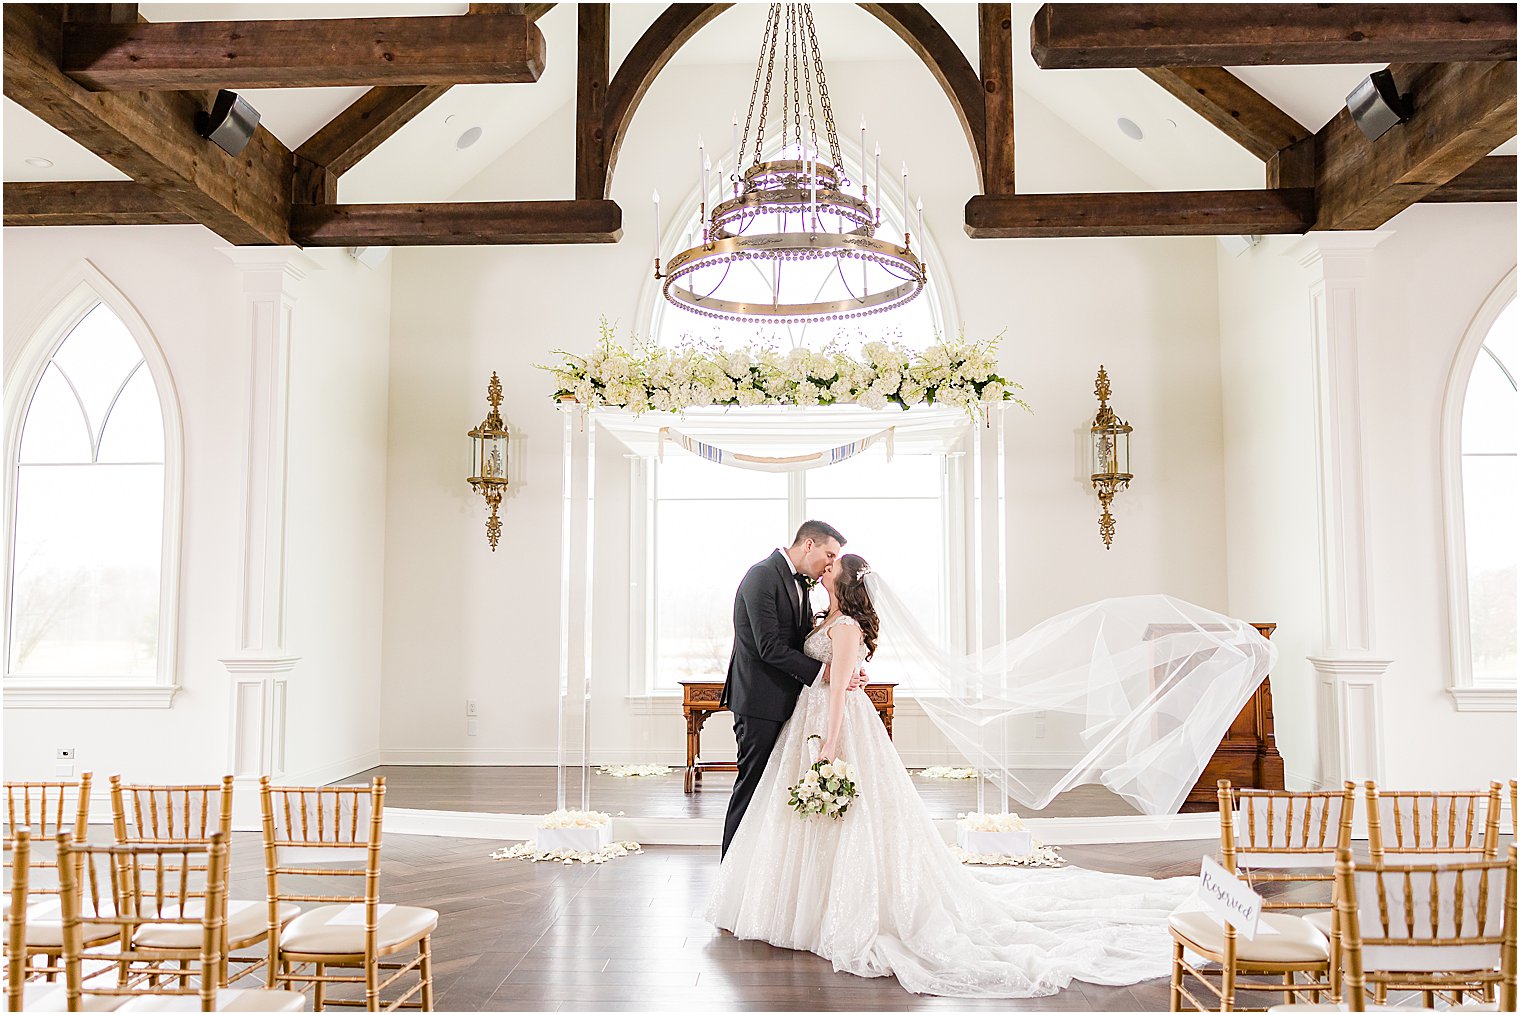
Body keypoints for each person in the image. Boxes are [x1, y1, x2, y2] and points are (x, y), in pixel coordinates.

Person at [706, 554, 1213, 998]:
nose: (826, 566)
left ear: (845, 579)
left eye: (834, 563)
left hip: (831, 724)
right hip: (806, 718)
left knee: (852, 818)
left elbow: (838, 690)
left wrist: (831, 745)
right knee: (799, 816)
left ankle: (834, 907)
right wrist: (841, 679)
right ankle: (799, 900)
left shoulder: (843, 627)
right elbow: (814, 664)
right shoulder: (824, 616)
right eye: (829, 557)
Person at [720, 521, 865, 857]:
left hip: (791, 703)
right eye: (829, 554)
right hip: (759, 702)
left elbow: (805, 644)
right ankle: (731, 870)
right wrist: (828, 672)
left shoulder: (802, 584)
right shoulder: (762, 576)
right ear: (809, 544)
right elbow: (768, 646)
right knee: (752, 789)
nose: (831, 564)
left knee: (774, 794)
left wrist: (849, 668)